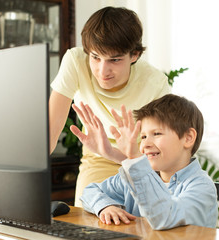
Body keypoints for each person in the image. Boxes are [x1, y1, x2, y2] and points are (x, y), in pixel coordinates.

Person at [48, 6, 171, 207]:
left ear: (135, 55)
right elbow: (49, 134)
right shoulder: (75, 61)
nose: (102, 71)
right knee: (87, 224)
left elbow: (161, 158)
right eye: (95, 57)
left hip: (143, 163)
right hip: (97, 159)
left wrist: (123, 155)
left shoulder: (156, 84)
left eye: (114, 60)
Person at [72, 94, 218, 230]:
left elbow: (164, 218)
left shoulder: (201, 187)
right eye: (143, 137)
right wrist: (105, 207)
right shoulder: (138, 177)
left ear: (188, 138)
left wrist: (133, 160)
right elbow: (89, 192)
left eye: (156, 134)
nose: (145, 145)